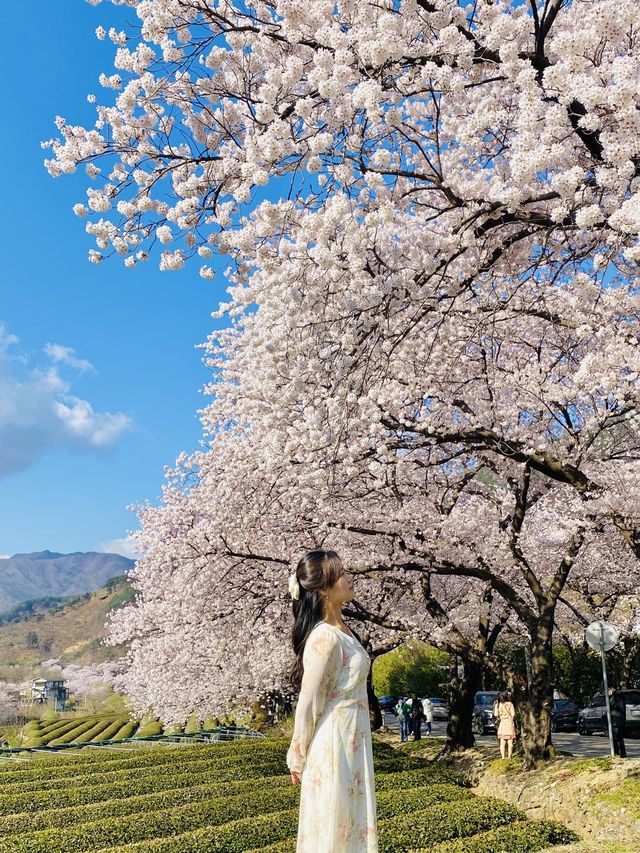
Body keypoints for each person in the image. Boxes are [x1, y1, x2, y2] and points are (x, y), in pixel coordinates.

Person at [286, 550, 378, 852]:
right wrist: (297, 753)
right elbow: (309, 701)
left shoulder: (344, 631)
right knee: (333, 829)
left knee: (348, 826)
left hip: (351, 737)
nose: (349, 578)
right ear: (324, 589)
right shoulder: (324, 637)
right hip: (336, 741)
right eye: (341, 574)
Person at [494, 690, 516, 759]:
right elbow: (513, 714)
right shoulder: (510, 704)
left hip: (502, 724)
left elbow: (496, 714)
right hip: (509, 724)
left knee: (502, 742)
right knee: (510, 742)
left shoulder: (499, 704)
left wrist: (496, 706)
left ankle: (503, 757)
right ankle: (509, 757)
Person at [609, 685, 627, 758]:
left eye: (609, 689)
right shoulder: (616, 696)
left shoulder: (618, 697)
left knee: (617, 738)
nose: (609, 690)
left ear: (613, 689)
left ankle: (619, 753)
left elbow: (619, 710)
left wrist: (610, 713)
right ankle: (620, 753)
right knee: (618, 738)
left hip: (617, 721)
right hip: (617, 720)